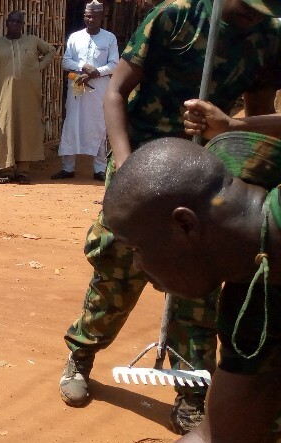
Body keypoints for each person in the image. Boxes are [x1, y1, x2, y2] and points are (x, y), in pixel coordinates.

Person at [60, 0, 281, 434]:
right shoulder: (175, 15)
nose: (254, 14)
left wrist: (229, 132)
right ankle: (81, 354)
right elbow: (116, 91)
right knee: (119, 270)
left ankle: (192, 393)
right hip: (141, 166)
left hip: (205, 175)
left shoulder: (270, 35)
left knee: (199, 290)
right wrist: (125, 169)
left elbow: (257, 118)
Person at [102, 134, 281, 443]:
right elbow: (219, 436)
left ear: (184, 225)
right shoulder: (251, 307)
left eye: (137, 249)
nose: (137, 267)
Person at [0, 10, 56, 185]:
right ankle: (6, 170)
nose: (14, 24)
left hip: (29, 95)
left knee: (26, 129)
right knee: (4, 129)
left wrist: (38, 67)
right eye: (11, 21)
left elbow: (52, 51)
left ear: (23, 25)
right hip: (3, 96)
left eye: (18, 22)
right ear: (6, 23)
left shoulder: (33, 41)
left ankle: (23, 170)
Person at [52, 0, 118, 182]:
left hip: (99, 88)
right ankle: (67, 168)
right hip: (77, 86)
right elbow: (66, 62)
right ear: (84, 16)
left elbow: (114, 64)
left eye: (95, 15)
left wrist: (96, 72)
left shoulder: (109, 38)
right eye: (88, 15)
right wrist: (83, 67)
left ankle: (99, 169)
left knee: (99, 124)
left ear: (102, 16)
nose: (91, 19)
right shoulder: (75, 37)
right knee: (72, 123)